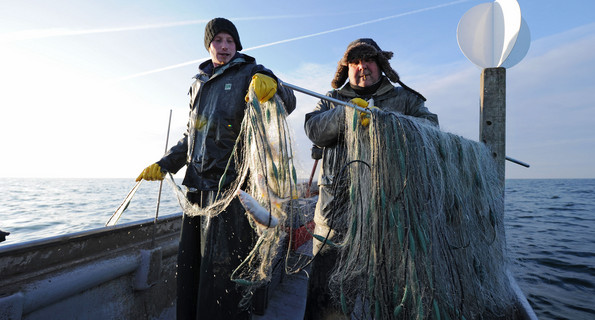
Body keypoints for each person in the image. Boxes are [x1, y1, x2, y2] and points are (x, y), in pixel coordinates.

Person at [136, 17, 296, 320]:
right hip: (196, 189)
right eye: (218, 41)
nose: (223, 47)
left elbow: (288, 102)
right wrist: (165, 163)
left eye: (229, 41)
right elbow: (191, 136)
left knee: (223, 272)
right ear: (208, 45)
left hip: (232, 190)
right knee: (193, 268)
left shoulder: (251, 72)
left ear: (237, 46)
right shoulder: (197, 84)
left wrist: (272, 87)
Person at [303, 38, 438, 319]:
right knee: (328, 302)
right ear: (346, 69)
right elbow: (313, 128)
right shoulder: (331, 99)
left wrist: (389, 121)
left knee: (394, 303)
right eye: (354, 62)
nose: (362, 67)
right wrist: (346, 114)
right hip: (335, 222)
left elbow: (431, 129)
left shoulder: (407, 99)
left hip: (392, 221)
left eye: (368, 60)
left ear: (380, 65)